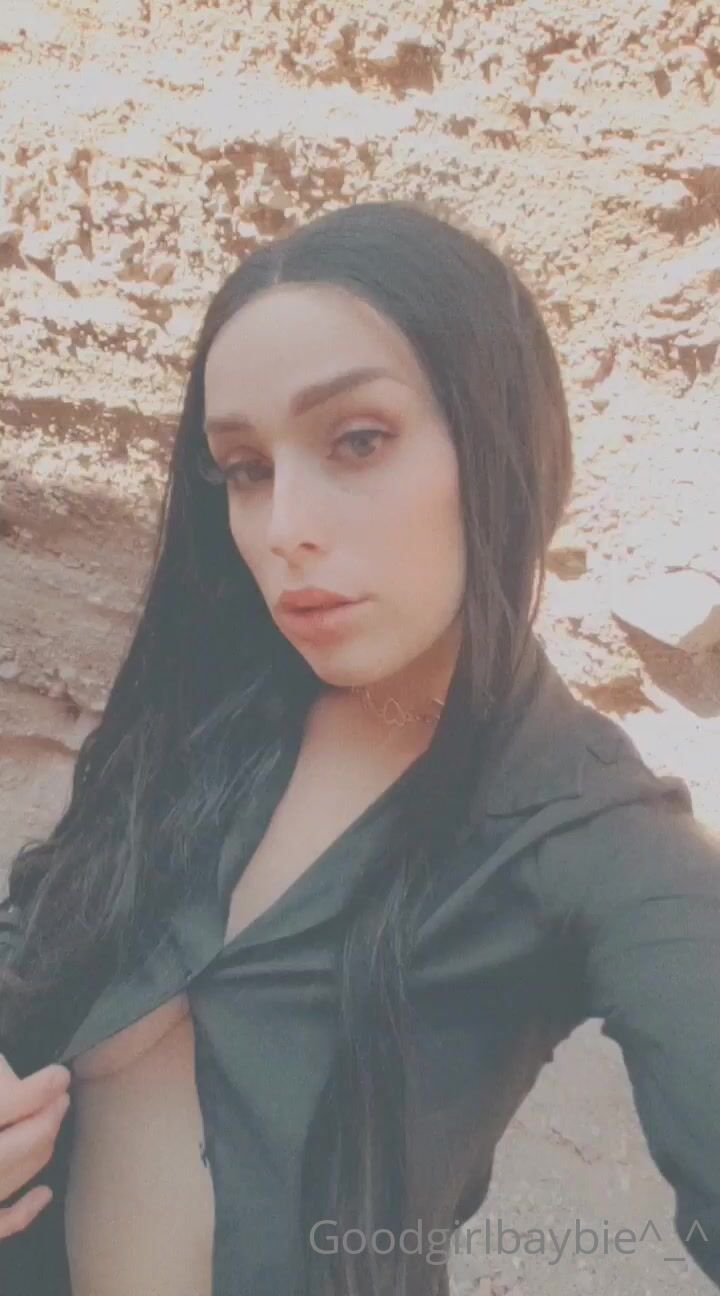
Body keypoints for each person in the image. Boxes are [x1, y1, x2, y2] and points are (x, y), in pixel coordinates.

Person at [0, 198, 718, 1296]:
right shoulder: (204, 717)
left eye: (358, 440)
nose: (284, 524)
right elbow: (38, 933)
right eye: (244, 467)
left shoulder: (589, 836)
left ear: (500, 442)